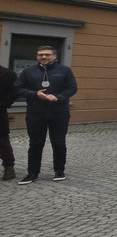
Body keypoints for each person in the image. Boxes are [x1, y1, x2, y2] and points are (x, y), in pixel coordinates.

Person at [14, 46, 78, 184]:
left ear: (54, 56)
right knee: (35, 143)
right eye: (40, 54)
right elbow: (18, 88)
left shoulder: (64, 70)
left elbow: (72, 88)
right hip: (35, 112)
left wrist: (58, 97)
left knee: (59, 143)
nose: (43, 57)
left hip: (59, 112)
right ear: (37, 56)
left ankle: (59, 170)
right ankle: (32, 173)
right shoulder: (28, 71)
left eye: (47, 54)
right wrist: (35, 94)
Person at [1, 64, 17, 181]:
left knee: (2, 142)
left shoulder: (7, 74)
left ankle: (9, 167)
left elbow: (14, 93)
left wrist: (3, 105)